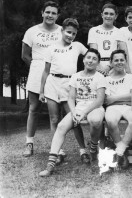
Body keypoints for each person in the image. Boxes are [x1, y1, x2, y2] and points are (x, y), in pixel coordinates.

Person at [39, 48, 106, 177]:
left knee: (96, 120)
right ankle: (50, 165)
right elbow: (70, 98)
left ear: (98, 63)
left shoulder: (100, 77)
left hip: (95, 107)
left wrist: (84, 112)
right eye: (88, 57)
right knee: (61, 126)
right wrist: (74, 112)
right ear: (83, 59)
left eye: (94, 59)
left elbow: (100, 100)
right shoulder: (76, 76)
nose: (90, 61)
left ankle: (93, 147)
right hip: (79, 108)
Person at [39, 18, 89, 164]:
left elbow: (92, 56)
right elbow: (46, 71)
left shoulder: (78, 46)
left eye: (73, 34)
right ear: (61, 31)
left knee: (75, 119)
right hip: (53, 84)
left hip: (70, 84)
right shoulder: (51, 48)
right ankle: (58, 151)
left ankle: (83, 150)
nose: (70, 36)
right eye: (68, 32)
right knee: (54, 119)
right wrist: (41, 91)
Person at [21, 1, 62, 157]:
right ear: (42, 13)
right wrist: (38, 67)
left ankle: (57, 147)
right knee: (34, 108)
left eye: (54, 13)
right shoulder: (32, 31)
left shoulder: (62, 31)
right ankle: (29, 143)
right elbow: (24, 55)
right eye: (48, 12)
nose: (50, 15)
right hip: (38, 70)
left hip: (57, 72)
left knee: (56, 112)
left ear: (58, 15)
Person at [104, 49, 132, 170]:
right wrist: (124, 98)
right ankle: (121, 151)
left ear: (125, 61)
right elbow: (107, 100)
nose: (119, 62)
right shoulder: (106, 79)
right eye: (116, 60)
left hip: (129, 107)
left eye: (122, 60)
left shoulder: (131, 78)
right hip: (113, 108)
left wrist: (115, 98)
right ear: (111, 62)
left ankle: (120, 151)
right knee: (110, 121)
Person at [88, 3, 125, 76]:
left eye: (111, 14)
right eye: (106, 13)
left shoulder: (120, 32)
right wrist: (98, 68)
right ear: (102, 15)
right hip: (97, 66)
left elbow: (122, 52)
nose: (108, 16)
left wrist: (109, 66)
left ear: (116, 16)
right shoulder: (93, 30)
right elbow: (93, 51)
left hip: (114, 66)